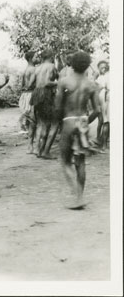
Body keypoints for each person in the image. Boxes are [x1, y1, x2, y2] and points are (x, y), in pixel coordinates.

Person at [54, 51, 100, 209]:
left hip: (68, 121)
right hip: (83, 121)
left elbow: (58, 106)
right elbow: (97, 110)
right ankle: (80, 196)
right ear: (87, 65)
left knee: (65, 161)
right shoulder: (92, 84)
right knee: (80, 163)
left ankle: (76, 196)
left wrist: (60, 122)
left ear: (72, 64)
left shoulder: (64, 82)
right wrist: (86, 122)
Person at [30, 49, 59, 159]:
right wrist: (58, 82)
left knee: (41, 123)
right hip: (45, 94)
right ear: (51, 57)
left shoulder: (38, 68)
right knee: (48, 123)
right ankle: (45, 152)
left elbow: (32, 83)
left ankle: (38, 149)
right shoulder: (51, 66)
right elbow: (46, 82)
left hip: (36, 94)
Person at [18, 51, 38, 153]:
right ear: (31, 58)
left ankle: (31, 145)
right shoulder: (34, 69)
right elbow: (30, 84)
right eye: (35, 56)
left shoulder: (26, 69)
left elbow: (22, 85)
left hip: (25, 95)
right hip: (31, 95)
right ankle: (33, 146)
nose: (37, 58)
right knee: (34, 121)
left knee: (30, 121)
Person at [94, 61, 110, 150]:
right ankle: (100, 140)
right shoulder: (108, 76)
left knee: (104, 121)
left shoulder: (103, 77)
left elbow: (99, 88)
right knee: (104, 121)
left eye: (102, 68)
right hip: (104, 98)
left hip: (105, 99)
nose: (101, 70)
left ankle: (103, 143)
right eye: (100, 68)